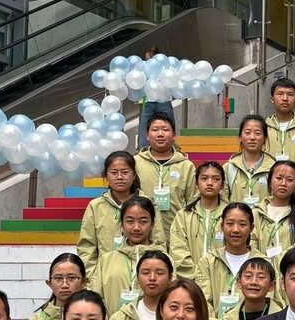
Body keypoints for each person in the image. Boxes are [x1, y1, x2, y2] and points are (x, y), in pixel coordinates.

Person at [77, 151, 145, 277]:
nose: (119, 177)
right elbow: (86, 247)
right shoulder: (95, 206)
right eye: (114, 173)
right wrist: (94, 277)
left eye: (125, 172)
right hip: (105, 276)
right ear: (106, 177)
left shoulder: (148, 204)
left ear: (134, 175)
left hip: (141, 275)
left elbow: (158, 242)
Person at [194, 202, 268, 317]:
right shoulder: (208, 262)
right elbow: (203, 302)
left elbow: (269, 302)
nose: (235, 230)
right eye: (230, 224)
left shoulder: (263, 263)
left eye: (242, 224)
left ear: (251, 228)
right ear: (222, 226)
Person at [135, 111, 197, 242]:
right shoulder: (136, 163)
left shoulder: (186, 166)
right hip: (143, 235)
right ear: (147, 135)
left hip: (178, 234)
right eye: (155, 130)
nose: (160, 134)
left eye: (165, 129)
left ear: (174, 135)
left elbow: (193, 202)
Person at [103, 249, 173, 320]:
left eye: (159, 273)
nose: (152, 278)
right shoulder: (121, 319)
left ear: (170, 278)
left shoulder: (177, 318)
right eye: (145, 273)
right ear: (137, 278)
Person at [93, 197, 157, 314]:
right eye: (130, 221)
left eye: (143, 221)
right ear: (122, 224)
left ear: (152, 224)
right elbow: (95, 300)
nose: (136, 228)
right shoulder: (106, 260)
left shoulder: (164, 260)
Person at [19, 253, 86, 320]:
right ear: (49, 283)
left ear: (84, 282)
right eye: (58, 278)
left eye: (71, 278)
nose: (65, 285)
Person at [168, 161, 227, 277]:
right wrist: (198, 277)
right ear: (196, 183)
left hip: (222, 280)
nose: (209, 183)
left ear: (222, 185)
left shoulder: (230, 216)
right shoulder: (183, 216)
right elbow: (178, 252)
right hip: (191, 282)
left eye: (216, 179)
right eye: (204, 178)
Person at [251, 161, 295, 259]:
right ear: (270, 181)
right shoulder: (256, 213)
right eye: (278, 178)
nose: (283, 183)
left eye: (289, 180)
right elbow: (251, 247)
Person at [224, 114, 275, 207]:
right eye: (247, 133)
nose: (252, 137)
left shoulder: (273, 168)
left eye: (257, 133)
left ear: (265, 138)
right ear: (240, 137)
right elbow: (223, 201)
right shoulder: (229, 167)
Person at [264, 77, 295, 164]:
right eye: (280, 94)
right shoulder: (264, 127)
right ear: (272, 99)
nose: (285, 98)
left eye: (290, 94)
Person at [136, 47, 176, 151]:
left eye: (149, 58)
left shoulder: (166, 67)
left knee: (168, 125)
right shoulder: (144, 68)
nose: (148, 61)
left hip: (164, 101)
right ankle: (143, 149)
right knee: (145, 127)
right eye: (146, 59)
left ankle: (170, 147)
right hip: (149, 101)